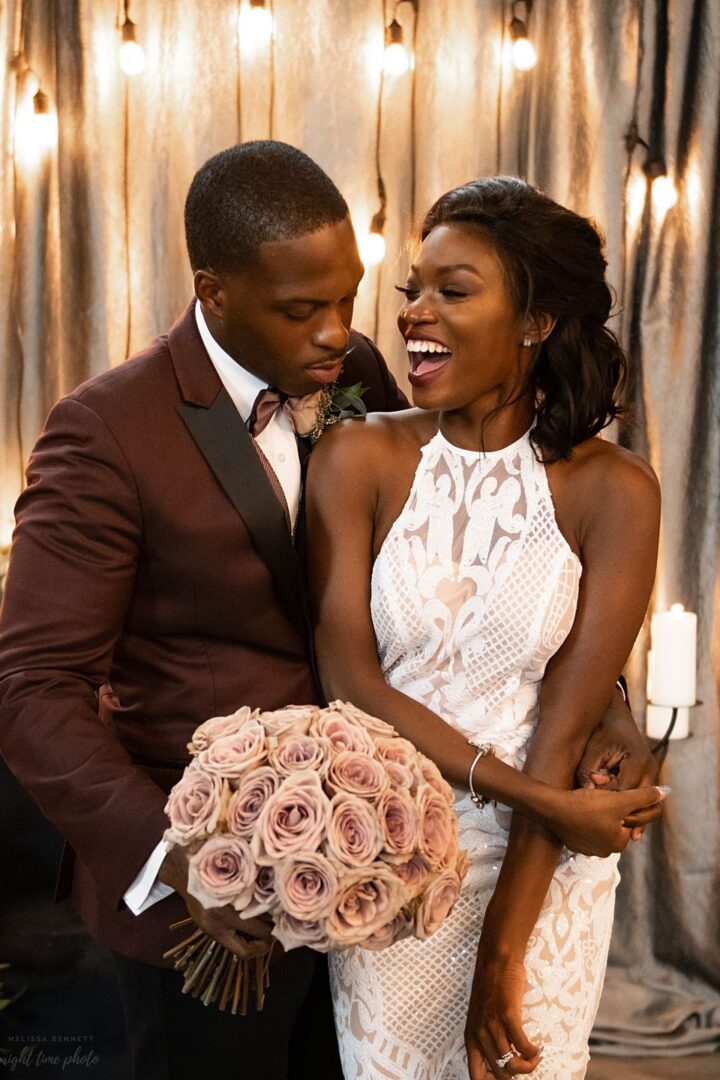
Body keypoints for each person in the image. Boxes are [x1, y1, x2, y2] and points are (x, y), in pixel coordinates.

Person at [0, 145, 654, 1080]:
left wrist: (610, 700)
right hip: (220, 903)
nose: (338, 332)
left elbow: (468, 565)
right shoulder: (108, 430)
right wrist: (180, 861)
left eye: (349, 297)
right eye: (304, 309)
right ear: (214, 293)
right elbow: (31, 690)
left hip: (387, 877)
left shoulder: (362, 376)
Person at [307, 176, 663, 1079]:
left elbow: (567, 731)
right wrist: (542, 796)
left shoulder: (614, 491)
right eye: (412, 291)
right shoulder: (358, 457)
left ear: (536, 321)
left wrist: (505, 954)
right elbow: (353, 678)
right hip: (390, 850)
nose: (414, 314)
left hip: (546, 870)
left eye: (452, 291)